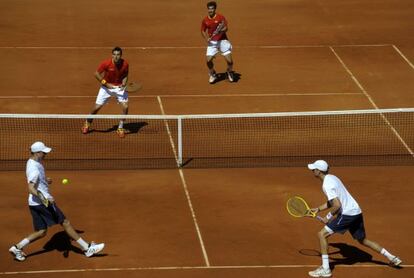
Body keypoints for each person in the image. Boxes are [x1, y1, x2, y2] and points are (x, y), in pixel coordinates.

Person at [9, 142, 105, 262]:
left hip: (33, 203)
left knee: (41, 231)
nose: (45, 154)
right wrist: (45, 199)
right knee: (65, 222)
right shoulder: (34, 168)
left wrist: (44, 180)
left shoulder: (32, 162)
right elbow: (31, 188)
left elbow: (36, 181)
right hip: (42, 203)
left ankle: (17, 247)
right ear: (37, 152)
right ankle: (87, 249)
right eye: (43, 152)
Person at [306, 160, 402, 277]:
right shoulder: (332, 177)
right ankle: (392, 257)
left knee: (322, 234)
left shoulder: (326, 184)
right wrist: (318, 209)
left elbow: (337, 205)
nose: (312, 171)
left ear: (319, 171)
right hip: (356, 211)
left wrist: (328, 217)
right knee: (363, 240)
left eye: (314, 169)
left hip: (347, 214)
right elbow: (333, 201)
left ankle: (326, 269)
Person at [81, 46, 129, 138]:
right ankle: (87, 123)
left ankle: (120, 127)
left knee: (125, 107)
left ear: (121, 55)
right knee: (96, 108)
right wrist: (106, 84)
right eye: (114, 54)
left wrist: (124, 83)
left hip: (119, 88)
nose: (116, 56)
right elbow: (96, 74)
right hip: (106, 88)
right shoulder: (106, 63)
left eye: (118, 55)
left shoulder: (125, 64)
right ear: (112, 55)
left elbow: (126, 74)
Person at [201, 1, 235, 84]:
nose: (210, 11)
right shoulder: (205, 20)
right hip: (212, 42)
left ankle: (229, 71)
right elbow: (202, 30)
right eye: (209, 9)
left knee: (230, 61)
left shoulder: (220, 17)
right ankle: (212, 73)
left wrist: (220, 31)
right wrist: (206, 39)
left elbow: (226, 28)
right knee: (208, 61)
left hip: (223, 41)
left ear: (215, 9)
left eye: (212, 9)